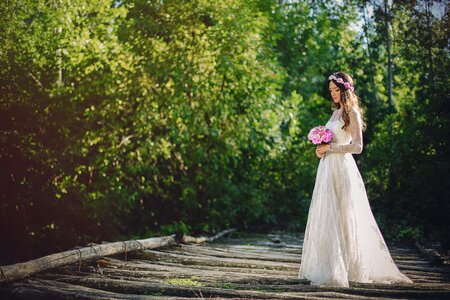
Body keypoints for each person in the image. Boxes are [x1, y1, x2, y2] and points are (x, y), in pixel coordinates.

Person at [298, 71, 413, 287]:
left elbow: (357, 147)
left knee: (343, 214)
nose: (332, 94)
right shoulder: (335, 113)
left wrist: (331, 148)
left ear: (345, 89)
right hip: (327, 168)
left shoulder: (352, 114)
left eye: (336, 90)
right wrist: (321, 150)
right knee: (329, 214)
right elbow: (329, 141)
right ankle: (330, 265)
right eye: (330, 90)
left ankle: (349, 268)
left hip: (342, 168)